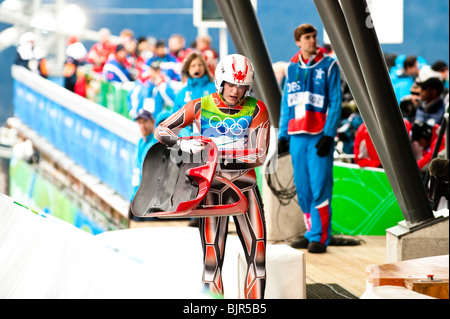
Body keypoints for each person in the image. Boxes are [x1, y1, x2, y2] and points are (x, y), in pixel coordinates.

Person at [154, 54, 270, 299]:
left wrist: (210, 153)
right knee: (211, 261)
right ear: (221, 81)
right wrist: (183, 144)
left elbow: (259, 154)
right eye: (231, 84)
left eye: (241, 86)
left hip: (245, 189)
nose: (236, 91)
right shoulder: (200, 105)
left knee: (258, 257)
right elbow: (161, 130)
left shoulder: (257, 108)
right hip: (210, 190)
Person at [278, 23, 342, 253]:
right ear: (298, 41)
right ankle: (309, 231)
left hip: (319, 136)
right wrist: (282, 135)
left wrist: (329, 133)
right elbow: (287, 102)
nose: (312, 41)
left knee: (320, 187)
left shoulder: (329, 65)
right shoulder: (292, 67)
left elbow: (336, 101)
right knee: (303, 189)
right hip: (297, 136)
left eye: (314, 37)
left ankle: (320, 237)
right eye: (307, 37)